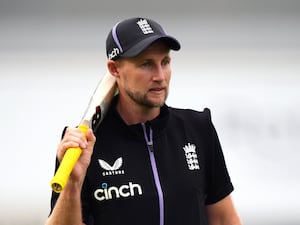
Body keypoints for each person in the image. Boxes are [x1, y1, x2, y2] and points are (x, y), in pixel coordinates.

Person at [46, 17, 242, 225]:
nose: (160, 76)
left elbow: (224, 219)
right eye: (146, 64)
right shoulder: (84, 144)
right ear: (114, 69)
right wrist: (73, 184)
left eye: (165, 62)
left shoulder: (198, 128)